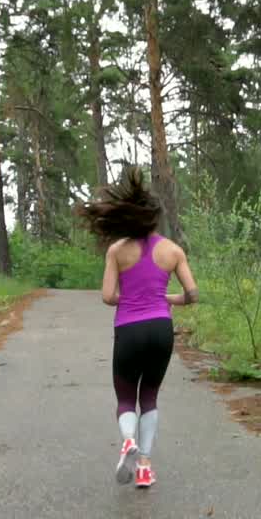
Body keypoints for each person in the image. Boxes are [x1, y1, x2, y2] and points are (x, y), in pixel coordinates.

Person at [77, 166, 199, 489]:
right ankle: (144, 466)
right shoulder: (173, 251)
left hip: (129, 330)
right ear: (154, 219)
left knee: (126, 398)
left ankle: (128, 440)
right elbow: (193, 293)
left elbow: (107, 296)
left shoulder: (117, 251)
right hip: (161, 329)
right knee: (151, 397)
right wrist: (170, 298)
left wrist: (131, 297)